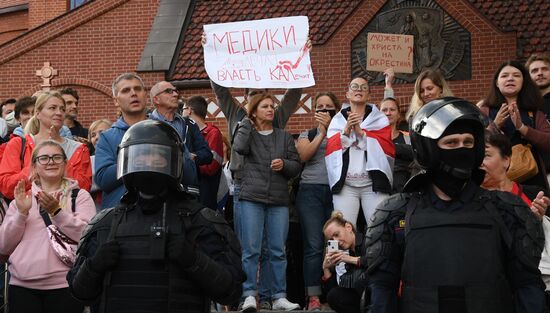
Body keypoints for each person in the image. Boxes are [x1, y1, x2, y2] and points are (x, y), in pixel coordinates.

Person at [365, 97, 545, 313]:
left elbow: (527, 287)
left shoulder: (508, 210)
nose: (461, 149)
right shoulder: (394, 213)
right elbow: (381, 292)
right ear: (429, 149)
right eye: (451, 143)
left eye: (468, 142)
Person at [67, 119, 245, 313]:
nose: (148, 164)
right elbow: (79, 293)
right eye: (141, 157)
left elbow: (230, 291)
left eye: (157, 158)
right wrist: (95, 265)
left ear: (174, 162)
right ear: (127, 161)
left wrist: (193, 259)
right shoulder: (105, 223)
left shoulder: (200, 221)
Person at [0, 140, 95, 313]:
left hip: (66, 286)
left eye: (56, 157)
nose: (51, 161)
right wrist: (21, 214)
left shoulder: (80, 197)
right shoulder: (21, 200)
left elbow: (87, 236)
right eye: (44, 158)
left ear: (65, 163)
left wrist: (57, 212)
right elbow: (4, 245)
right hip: (22, 287)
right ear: (34, 167)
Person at [232, 92, 302, 312]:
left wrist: (285, 165)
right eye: (265, 106)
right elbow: (239, 147)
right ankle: (249, 295)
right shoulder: (247, 132)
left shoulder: (284, 136)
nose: (271, 109)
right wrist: (245, 121)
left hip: (278, 199)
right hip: (251, 197)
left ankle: (278, 296)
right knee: (251, 249)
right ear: (254, 111)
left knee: (277, 250)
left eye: (272, 106)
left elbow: (296, 166)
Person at [325, 76, 394, 228]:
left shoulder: (379, 119)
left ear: (369, 95)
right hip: (346, 185)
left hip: (373, 184)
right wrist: (347, 130)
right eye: (354, 87)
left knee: (379, 228)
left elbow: (386, 148)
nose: (359, 90)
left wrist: (361, 132)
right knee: (342, 229)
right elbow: (331, 149)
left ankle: (375, 253)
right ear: (347, 94)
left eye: (364, 87)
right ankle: (338, 253)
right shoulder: (337, 120)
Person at [294, 91, 340, 310]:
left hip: (337, 191)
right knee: (313, 245)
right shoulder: (307, 133)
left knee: (334, 243)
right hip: (310, 192)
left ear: (336, 110)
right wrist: (321, 133)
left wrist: (333, 129)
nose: (323, 109)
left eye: (328, 106)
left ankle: (334, 292)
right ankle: (313, 296)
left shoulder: (342, 133)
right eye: (319, 106)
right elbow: (304, 156)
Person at [0, 91, 91, 200]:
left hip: (67, 211)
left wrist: (57, 153)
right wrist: (34, 170)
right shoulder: (18, 144)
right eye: (52, 108)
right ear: (37, 113)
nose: (59, 112)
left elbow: (84, 188)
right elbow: (6, 186)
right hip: (28, 211)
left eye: (62, 109)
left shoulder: (79, 148)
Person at [478, 60, 550, 191]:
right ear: (497, 83)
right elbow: (475, 143)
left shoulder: (534, 111)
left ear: (523, 82)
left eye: (516, 75)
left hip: (532, 181)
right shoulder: (484, 110)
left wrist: (522, 128)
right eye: (504, 75)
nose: (510, 78)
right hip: (494, 181)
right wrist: (495, 125)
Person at [95, 73, 148, 209]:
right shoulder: (107, 137)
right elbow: (103, 180)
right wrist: (135, 157)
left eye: (137, 89)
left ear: (145, 94)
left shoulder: (165, 131)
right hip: (122, 215)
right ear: (116, 101)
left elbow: (189, 173)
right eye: (126, 90)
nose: (133, 93)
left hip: (163, 211)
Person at [149, 81, 212, 195]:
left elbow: (207, 154)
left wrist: (189, 158)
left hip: (187, 191)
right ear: (156, 100)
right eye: (169, 91)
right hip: (157, 189)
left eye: (175, 91)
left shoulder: (189, 124)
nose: (175, 94)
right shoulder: (146, 126)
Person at [321, 211, 368, 313]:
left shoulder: (368, 239)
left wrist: (350, 259)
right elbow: (336, 293)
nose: (336, 241)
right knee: (334, 296)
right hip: (363, 295)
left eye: (337, 234)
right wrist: (326, 269)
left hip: (380, 290)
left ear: (348, 227)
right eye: (332, 240)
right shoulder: (344, 253)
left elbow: (378, 260)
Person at [186, 95, 223, 210]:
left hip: (205, 192)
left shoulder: (213, 133)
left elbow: (210, 167)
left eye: (183, 109)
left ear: (189, 110)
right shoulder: (186, 131)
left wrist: (189, 161)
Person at [380, 97, 413, 193]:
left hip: (404, 191)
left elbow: (415, 154)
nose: (388, 113)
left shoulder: (408, 137)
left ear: (399, 114)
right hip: (379, 192)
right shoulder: (372, 138)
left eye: (392, 109)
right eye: (384, 110)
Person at [526, 54, 550, 187]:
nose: (540, 73)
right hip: (532, 173)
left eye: (544, 69)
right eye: (534, 70)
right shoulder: (525, 105)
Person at [88, 119, 112, 210]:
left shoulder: (119, 157)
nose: (97, 137)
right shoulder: (88, 160)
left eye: (102, 133)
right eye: (93, 135)